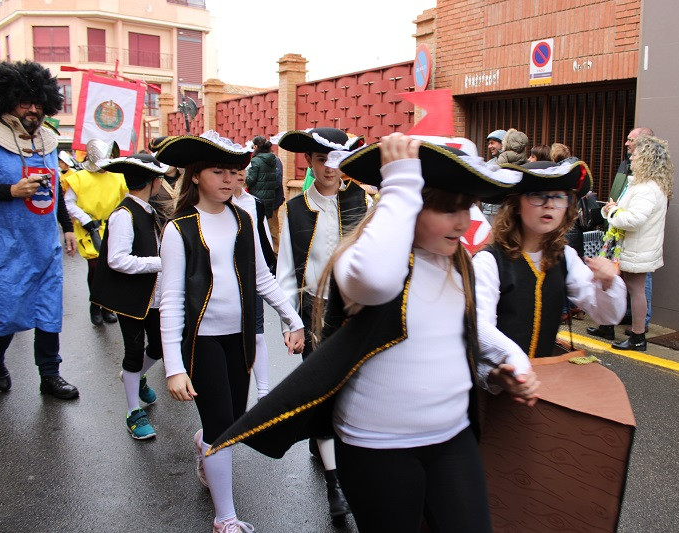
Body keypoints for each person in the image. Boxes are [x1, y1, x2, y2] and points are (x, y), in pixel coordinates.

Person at [206, 133, 540, 533]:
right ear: (407, 205)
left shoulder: (460, 262)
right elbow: (376, 280)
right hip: (378, 447)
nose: (463, 223)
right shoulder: (362, 259)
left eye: (466, 208)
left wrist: (506, 364)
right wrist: (399, 182)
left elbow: (465, 332)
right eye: (448, 209)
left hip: (453, 437)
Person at [156, 130, 304, 533]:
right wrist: (173, 366)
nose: (228, 179)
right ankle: (226, 518)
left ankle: (205, 443)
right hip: (200, 341)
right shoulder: (179, 229)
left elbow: (261, 277)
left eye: (234, 172)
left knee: (231, 419)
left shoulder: (242, 218)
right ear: (197, 175)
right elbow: (170, 300)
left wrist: (294, 318)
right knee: (223, 427)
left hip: (237, 339)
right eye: (217, 171)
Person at [275, 126, 369, 520]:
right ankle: (335, 483)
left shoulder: (364, 200)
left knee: (359, 390)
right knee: (322, 394)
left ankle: (343, 450)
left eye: (336, 159)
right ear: (309, 163)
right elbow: (285, 272)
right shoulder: (293, 210)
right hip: (315, 311)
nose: (329, 168)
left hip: (359, 311)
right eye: (320, 160)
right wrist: (290, 323)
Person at [475, 158, 626, 367]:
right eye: (538, 195)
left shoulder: (565, 257)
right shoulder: (489, 261)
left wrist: (608, 282)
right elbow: (480, 327)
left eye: (558, 197)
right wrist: (515, 362)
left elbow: (607, 315)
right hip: (497, 385)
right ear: (516, 204)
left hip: (545, 386)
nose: (549, 204)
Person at [0, 60, 79, 400]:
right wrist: (10, 192)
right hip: (7, 246)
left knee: (49, 312)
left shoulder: (48, 142)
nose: (32, 109)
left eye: (38, 103)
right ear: (8, 101)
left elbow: (56, 190)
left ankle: (50, 374)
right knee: (5, 310)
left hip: (45, 246)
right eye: (24, 102)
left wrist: (67, 226)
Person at [90, 153, 168, 439]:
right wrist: (160, 262)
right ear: (152, 181)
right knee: (134, 351)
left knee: (159, 346)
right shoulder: (124, 214)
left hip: (153, 295)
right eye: (159, 178)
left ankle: (133, 377)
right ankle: (133, 411)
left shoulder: (148, 210)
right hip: (131, 297)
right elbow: (117, 260)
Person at [590, 135, 674, 351]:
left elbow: (633, 219)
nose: (632, 159)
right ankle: (609, 325)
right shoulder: (649, 185)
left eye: (635, 155)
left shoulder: (646, 188)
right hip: (632, 247)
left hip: (635, 248)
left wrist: (613, 210)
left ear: (646, 159)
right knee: (624, 287)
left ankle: (637, 336)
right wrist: (614, 210)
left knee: (635, 291)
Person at [63, 138, 127, 326]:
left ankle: (108, 306)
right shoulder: (79, 178)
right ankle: (95, 304)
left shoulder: (118, 176)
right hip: (89, 229)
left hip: (112, 227)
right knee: (95, 268)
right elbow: (68, 203)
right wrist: (86, 219)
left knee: (111, 267)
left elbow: (126, 198)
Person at [231, 163, 277, 400]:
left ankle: (263, 392)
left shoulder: (254, 203)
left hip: (253, 276)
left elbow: (264, 240)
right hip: (226, 280)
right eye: (232, 170)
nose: (239, 174)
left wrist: (269, 270)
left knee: (257, 334)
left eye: (240, 169)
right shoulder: (219, 204)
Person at [607, 127, 655, 333]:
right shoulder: (627, 166)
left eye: (630, 140)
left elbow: (637, 217)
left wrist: (614, 211)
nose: (626, 144)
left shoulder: (649, 183)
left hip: (637, 242)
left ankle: (639, 328)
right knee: (627, 284)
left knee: (639, 287)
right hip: (621, 235)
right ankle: (621, 320)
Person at [245, 136, 284, 252]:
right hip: (273, 200)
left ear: (256, 147)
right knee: (273, 231)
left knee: (259, 230)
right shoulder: (275, 159)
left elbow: (251, 180)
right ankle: (276, 257)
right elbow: (277, 180)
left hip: (258, 200)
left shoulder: (255, 161)